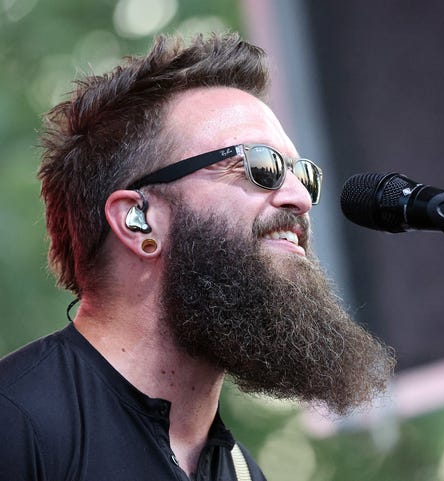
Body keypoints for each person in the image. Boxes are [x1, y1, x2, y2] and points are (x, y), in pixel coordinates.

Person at [0, 32, 395, 481]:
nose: (298, 197)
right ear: (138, 220)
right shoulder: (15, 425)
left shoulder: (242, 471)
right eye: (260, 166)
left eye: (302, 175)